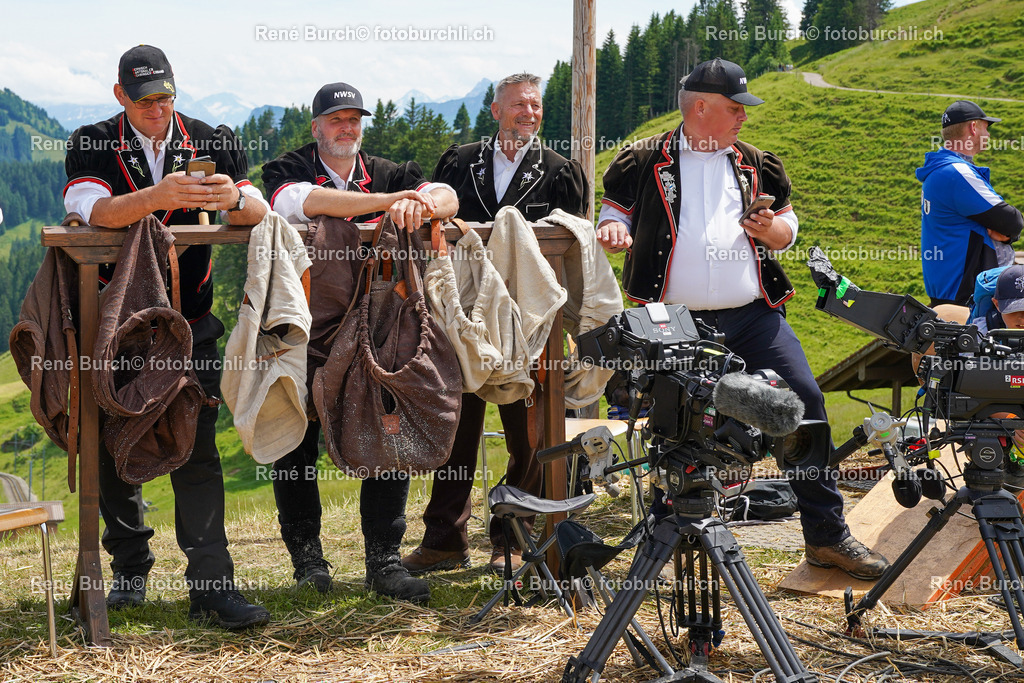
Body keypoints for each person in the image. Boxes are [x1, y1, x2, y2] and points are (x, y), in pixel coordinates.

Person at [594, 58, 888, 581]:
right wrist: (614, 230)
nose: (743, 118)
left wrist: (771, 231)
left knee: (805, 403)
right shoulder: (640, 159)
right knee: (677, 424)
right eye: (734, 108)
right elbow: (614, 214)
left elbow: (788, 231)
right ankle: (671, 543)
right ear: (700, 108)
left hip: (753, 316)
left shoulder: (759, 162)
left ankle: (826, 535)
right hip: (673, 320)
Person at [63, 45, 271, 628]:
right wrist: (160, 200)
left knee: (198, 451)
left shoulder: (212, 137)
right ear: (121, 96)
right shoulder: (90, 140)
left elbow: (255, 204)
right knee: (110, 447)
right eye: (146, 98)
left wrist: (232, 198)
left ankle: (211, 587)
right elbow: (88, 209)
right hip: (117, 327)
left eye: (166, 96)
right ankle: (129, 571)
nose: (158, 107)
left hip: (191, 322)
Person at [261, 82, 458, 603]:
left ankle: (384, 560)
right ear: (316, 127)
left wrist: (423, 200)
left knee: (386, 424)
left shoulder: (389, 169)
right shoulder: (289, 167)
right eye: (336, 120)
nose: (346, 128)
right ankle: (308, 561)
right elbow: (295, 203)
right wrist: (389, 202)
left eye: (354, 119)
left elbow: (446, 196)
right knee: (294, 437)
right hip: (305, 321)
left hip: (379, 318)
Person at [401, 72, 588, 576]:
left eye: (536, 106)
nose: (529, 113)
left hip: (529, 321)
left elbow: (571, 246)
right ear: (495, 110)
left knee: (527, 433)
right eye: (519, 105)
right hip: (460, 316)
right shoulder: (459, 163)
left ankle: (514, 537)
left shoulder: (560, 170)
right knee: (457, 426)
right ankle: (444, 538)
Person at [917, 100, 1023, 308]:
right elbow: (1013, 221)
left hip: (949, 287)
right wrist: (1009, 233)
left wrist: (1004, 231)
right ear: (973, 127)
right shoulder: (957, 173)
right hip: (966, 293)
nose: (989, 135)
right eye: (986, 127)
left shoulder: (939, 170)